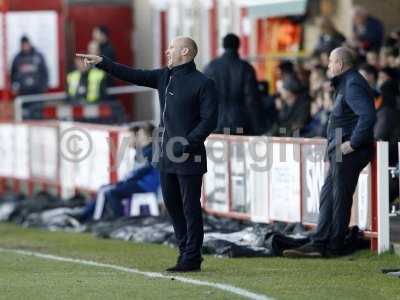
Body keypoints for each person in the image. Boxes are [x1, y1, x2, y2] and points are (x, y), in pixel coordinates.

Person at [76, 36, 218, 272]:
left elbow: (209, 121)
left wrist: (188, 144)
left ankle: (192, 257)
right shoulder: (164, 76)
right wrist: (103, 62)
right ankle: (185, 252)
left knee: (190, 207)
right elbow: (133, 74)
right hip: (165, 156)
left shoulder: (203, 83)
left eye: (172, 47)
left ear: (185, 51)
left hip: (188, 155)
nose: (167, 50)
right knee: (172, 205)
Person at [283, 47, 376, 258]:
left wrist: (353, 143)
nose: (328, 66)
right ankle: (320, 242)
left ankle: (331, 246)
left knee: (337, 197)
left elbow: (368, 116)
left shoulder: (352, 84)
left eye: (331, 62)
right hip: (340, 149)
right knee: (329, 195)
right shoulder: (348, 83)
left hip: (348, 149)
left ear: (341, 64)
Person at [78, 122, 160, 221]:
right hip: (138, 183)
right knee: (105, 189)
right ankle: (89, 216)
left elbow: (142, 171)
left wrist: (126, 180)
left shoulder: (152, 151)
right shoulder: (143, 151)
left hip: (145, 186)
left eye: (141, 134)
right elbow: (137, 173)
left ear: (149, 137)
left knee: (112, 192)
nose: (139, 136)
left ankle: (119, 219)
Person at [204, 33, 260, 135]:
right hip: (239, 123)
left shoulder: (210, 67)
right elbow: (252, 100)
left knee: (217, 150)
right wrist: (257, 126)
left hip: (215, 123)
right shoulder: (246, 68)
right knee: (239, 150)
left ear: (223, 46)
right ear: (238, 46)